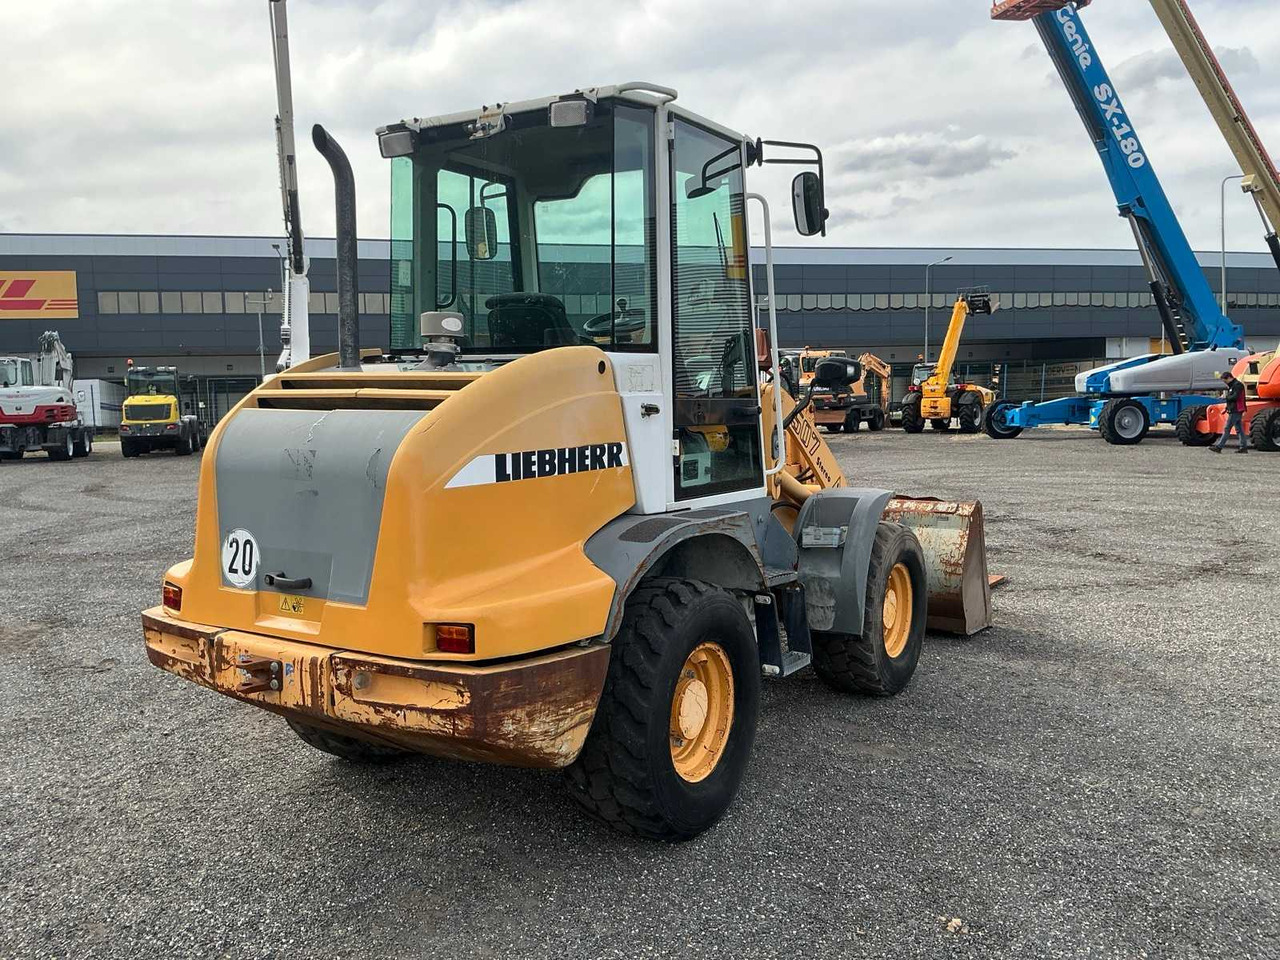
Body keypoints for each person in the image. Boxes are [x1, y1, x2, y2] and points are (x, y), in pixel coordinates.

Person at [1210, 370, 1249, 453]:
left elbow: (1235, 397)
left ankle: (1219, 447)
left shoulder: (1237, 385)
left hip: (1236, 409)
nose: (1225, 383)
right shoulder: (1234, 385)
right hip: (1236, 409)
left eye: (1225, 381)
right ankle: (1243, 447)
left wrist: (1226, 397)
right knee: (1239, 429)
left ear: (1229, 378)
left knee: (1227, 428)